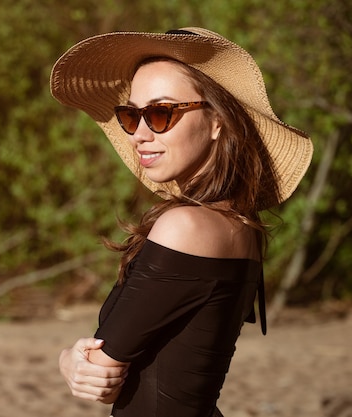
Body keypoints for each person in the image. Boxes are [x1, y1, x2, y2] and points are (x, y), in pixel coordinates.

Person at [50, 27, 313, 417]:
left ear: (217, 121)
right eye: (130, 115)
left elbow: (101, 375)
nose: (139, 134)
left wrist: (67, 359)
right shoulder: (237, 223)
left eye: (160, 113)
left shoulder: (186, 228)